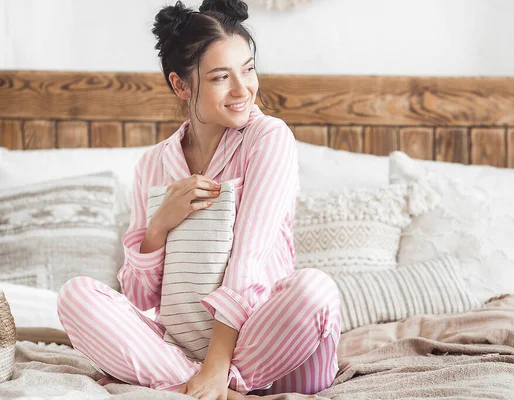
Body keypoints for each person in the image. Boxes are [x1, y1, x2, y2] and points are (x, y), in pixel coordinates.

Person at [56, 1, 341, 399]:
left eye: (249, 69)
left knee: (316, 290)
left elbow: (250, 263)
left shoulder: (268, 138)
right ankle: (209, 388)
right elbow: (140, 297)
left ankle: (200, 385)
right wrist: (160, 224)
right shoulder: (153, 164)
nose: (244, 90)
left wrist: (216, 371)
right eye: (221, 77)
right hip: (180, 346)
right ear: (181, 85)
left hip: (270, 348)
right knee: (76, 295)